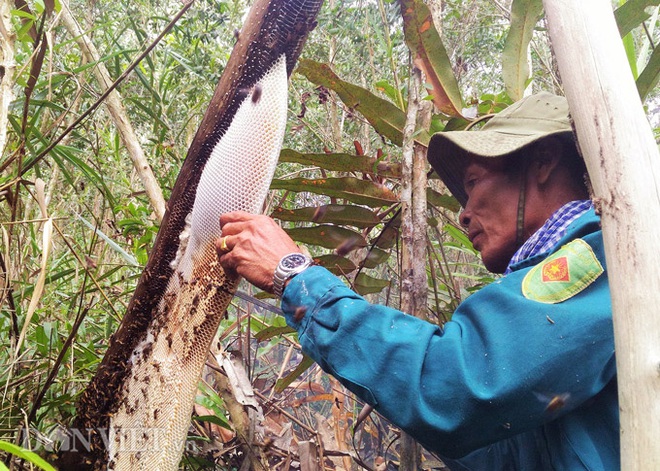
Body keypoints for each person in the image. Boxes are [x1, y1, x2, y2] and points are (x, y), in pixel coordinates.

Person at [216, 92, 618, 470]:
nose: (463, 215)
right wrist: (393, 386)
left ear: (544, 161)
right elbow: (505, 451)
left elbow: (457, 385)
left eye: (474, 181)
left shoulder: (602, 260)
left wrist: (296, 277)